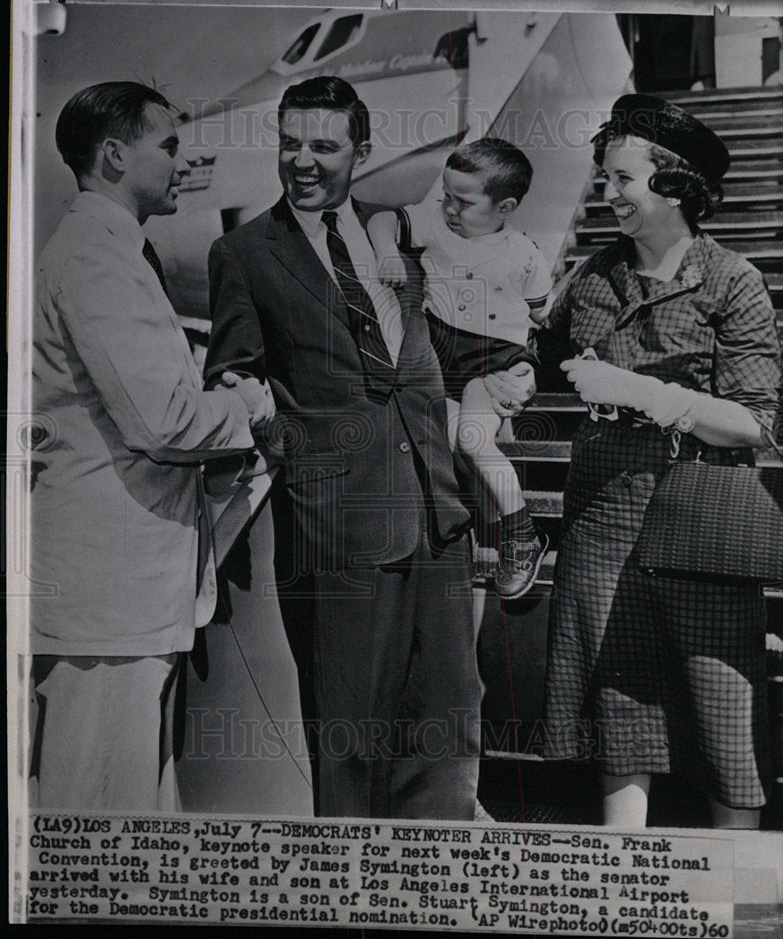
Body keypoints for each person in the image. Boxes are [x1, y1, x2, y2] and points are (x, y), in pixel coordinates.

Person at [204, 76, 536, 819]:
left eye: (323, 145)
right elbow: (233, 372)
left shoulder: (402, 232)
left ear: (362, 150)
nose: (303, 161)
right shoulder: (244, 253)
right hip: (336, 530)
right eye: (290, 144)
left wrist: (512, 366)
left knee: (447, 730)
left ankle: (436, 892)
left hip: (436, 515)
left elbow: (454, 335)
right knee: (350, 739)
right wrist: (289, 449)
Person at [29, 82, 275, 811]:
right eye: (167, 145)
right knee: (99, 808)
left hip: (122, 590)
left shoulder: (106, 250)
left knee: (130, 798)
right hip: (111, 591)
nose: (184, 158)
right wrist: (244, 404)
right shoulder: (95, 259)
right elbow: (160, 422)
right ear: (112, 156)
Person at [540, 94, 782, 829]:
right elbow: (540, 361)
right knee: (620, 713)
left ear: (675, 185)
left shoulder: (731, 279)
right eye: (603, 178)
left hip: (700, 523)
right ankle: (624, 873)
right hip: (603, 522)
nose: (606, 194)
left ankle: (739, 885)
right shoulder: (587, 279)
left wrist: (639, 389)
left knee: (724, 717)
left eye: (622, 180)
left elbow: (753, 424)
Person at [367, 138, 552, 599]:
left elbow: (542, 313)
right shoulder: (434, 221)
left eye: (463, 201)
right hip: (439, 347)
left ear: (504, 206)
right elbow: (382, 218)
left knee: (472, 439)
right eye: (446, 194)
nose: (449, 207)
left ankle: (522, 532)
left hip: (494, 358)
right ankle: (483, 520)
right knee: (448, 441)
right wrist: (389, 250)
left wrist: (527, 369)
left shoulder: (525, 253)